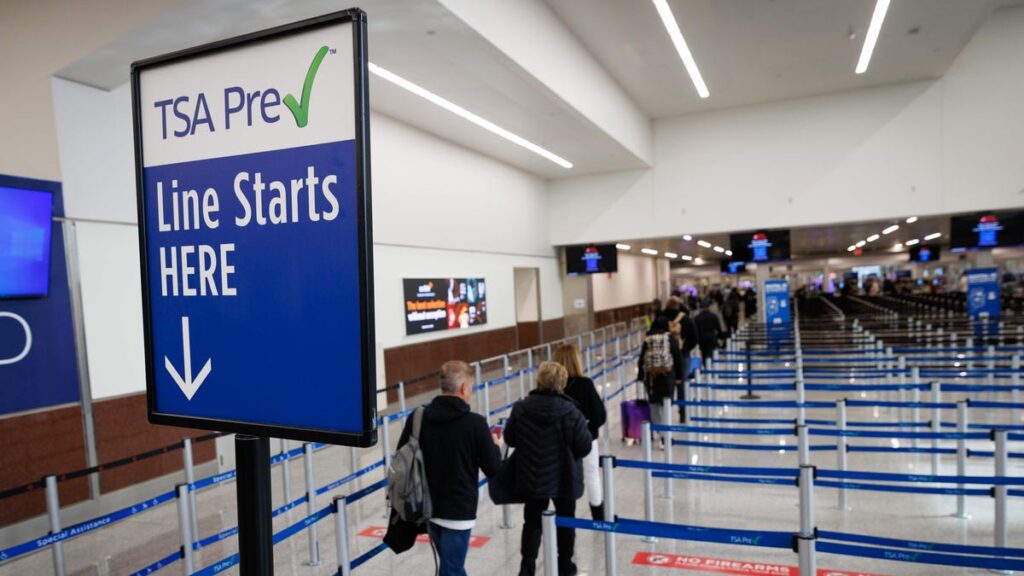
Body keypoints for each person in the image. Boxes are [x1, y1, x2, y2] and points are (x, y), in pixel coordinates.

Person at [396, 361, 501, 576]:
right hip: (458, 510)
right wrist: (496, 446)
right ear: (463, 388)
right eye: (471, 386)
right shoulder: (475, 424)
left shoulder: (418, 417)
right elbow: (494, 469)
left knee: (450, 565)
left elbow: (401, 457)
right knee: (452, 568)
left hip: (426, 507)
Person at [504, 362, 592, 576]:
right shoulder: (572, 412)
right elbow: (584, 446)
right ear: (562, 384)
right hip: (565, 476)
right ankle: (564, 564)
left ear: (539, 381)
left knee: (532, 520)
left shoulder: (521, 408)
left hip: (532, 475)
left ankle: (527, 566)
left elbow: (510, 439)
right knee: (565, 520)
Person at [553, 343, 607, 520]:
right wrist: (588, 429)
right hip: (586, 438)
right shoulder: (585, 384)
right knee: (592, 475)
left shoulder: (553, 387)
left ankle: (567, 516)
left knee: (565, 477)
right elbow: (600, 415)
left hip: (560, 442)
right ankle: (598, 514)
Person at [638, 316, 684, 434]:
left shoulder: (648, 339)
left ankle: (658, 430)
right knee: (666, 404)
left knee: (654, 404)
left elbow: (641, 359)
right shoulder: (669, 339)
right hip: (667, 375)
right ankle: (666, 433)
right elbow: (677, 358)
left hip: (651, 377)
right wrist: (679, 376)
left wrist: (640, 375)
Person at [695, 300, 723, 369]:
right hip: (711, 337)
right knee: (710, 353)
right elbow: (718, 328)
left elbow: (696, 329)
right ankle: (710, 367)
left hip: (701, 338)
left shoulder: (697, 317)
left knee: (704, 353)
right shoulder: (713, 316)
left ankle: (706, 367)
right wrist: (720, 337)